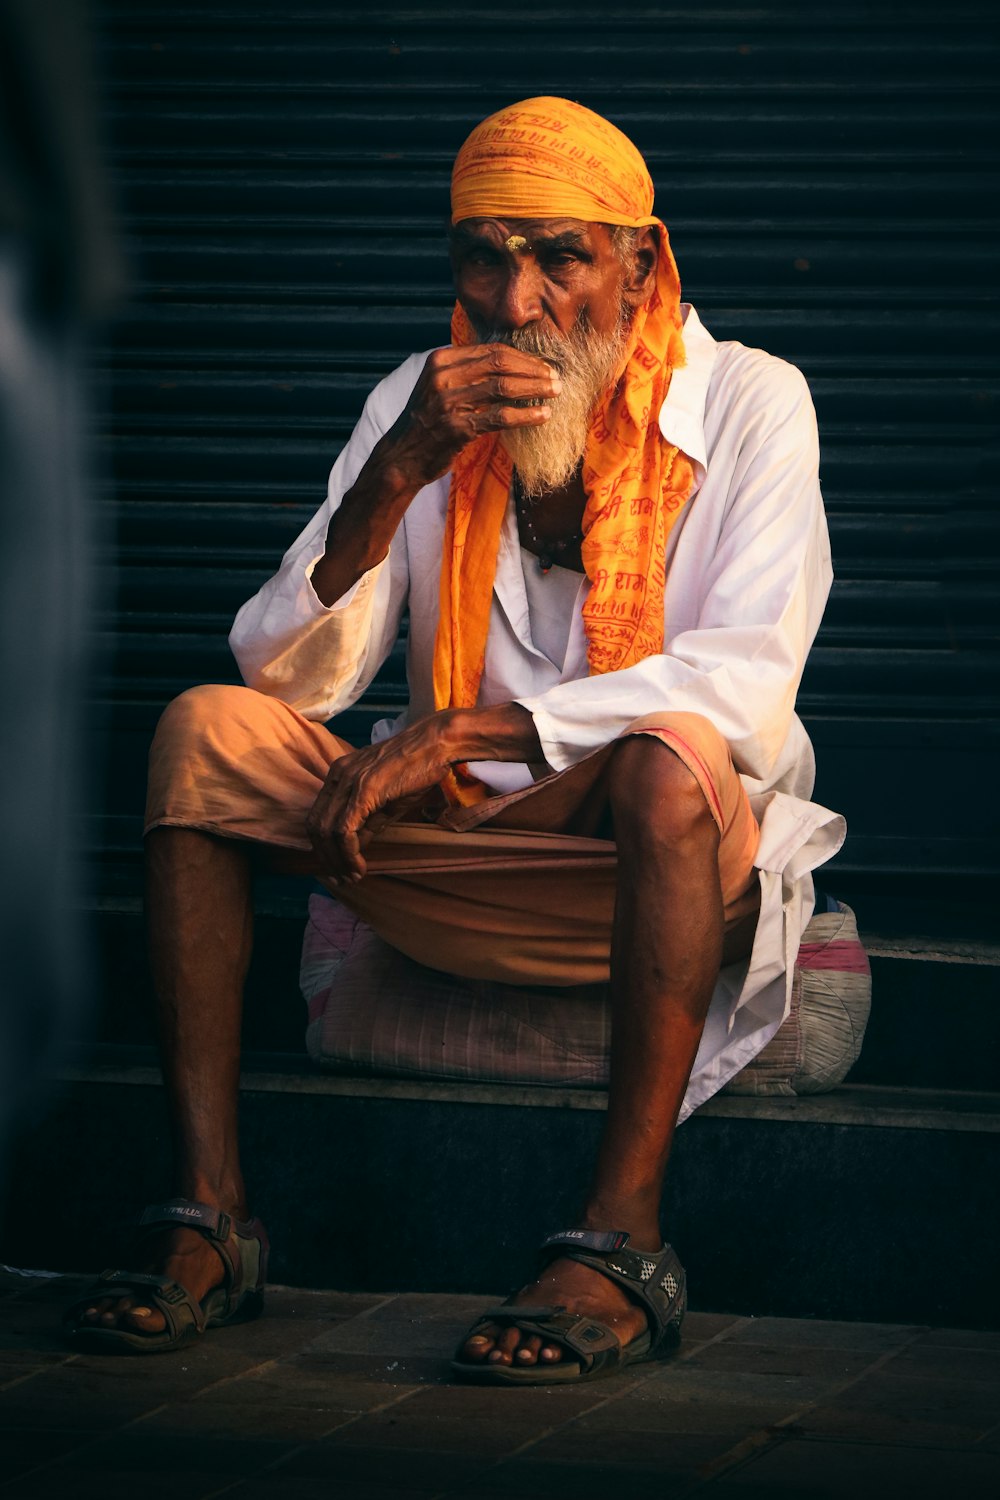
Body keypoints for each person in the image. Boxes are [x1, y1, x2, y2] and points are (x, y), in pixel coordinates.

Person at [63, 97, 844, 1382]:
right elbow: (285, 681)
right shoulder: (417, 401)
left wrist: (477, 729)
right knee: (201, 734)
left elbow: (747, 685)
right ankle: (210, 1216)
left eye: (558, 256)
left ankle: (622, 1242)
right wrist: (397, 470)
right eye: (481, 256)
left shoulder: (756, 401)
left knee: (665, 756)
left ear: (641, 260)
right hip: (446, 858)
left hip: (652, 866)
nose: (515, 299)